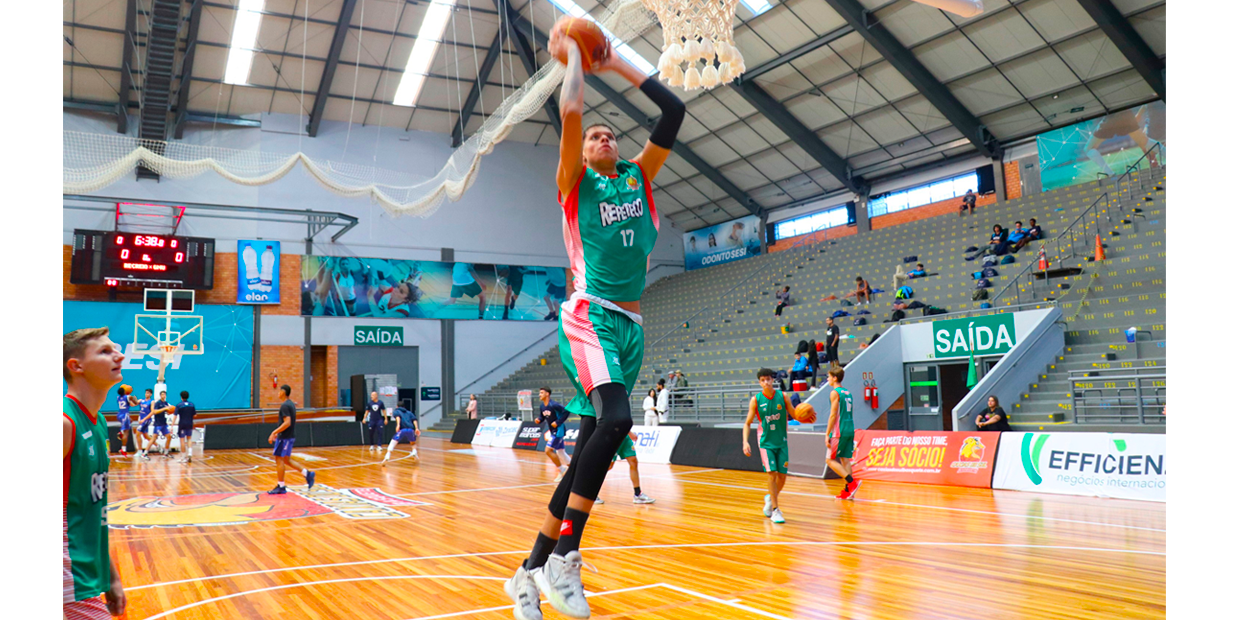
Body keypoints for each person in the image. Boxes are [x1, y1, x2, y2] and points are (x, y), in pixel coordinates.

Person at [504, 22, 686, 620]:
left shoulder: (638, 177)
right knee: (617, 419)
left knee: (592, 450)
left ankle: (527, 573)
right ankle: (566, 559)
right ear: (581, 153)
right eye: (594, 137)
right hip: (590, 317)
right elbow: (573, 108)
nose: (603, 136)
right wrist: (577, 60)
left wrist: (624, 66)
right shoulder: (572, 184)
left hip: (631, 329)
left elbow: (673, 109)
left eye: (611, 134)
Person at [63, 327, 127, 619]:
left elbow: (93, 511)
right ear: (76, 367)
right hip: (66, 572)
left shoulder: (98, 422)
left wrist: (110, 575)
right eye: (105, 351)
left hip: (86, 572)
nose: (120, 354)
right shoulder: (63, 423)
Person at [743, 368, 796, 524]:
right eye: (763, 380)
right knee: (772, 474)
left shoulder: (783, 396)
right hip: (765, 441)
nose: (766, 382)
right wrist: (745, 441)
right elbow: (747, 423)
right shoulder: (756, 400)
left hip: (781, 440)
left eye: (768, 379)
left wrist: (806, 417)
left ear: (773, 380)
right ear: (760, 383)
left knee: (782, 476)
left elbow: (794, 414)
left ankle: (770, 498)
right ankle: (775, 510)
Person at [267, 385, 315, 494]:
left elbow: (287, 422)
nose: (278, 393)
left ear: (283, 392)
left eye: (279, 391)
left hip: (284, 437)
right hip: (289, 436)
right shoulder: (291, 404)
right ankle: (307, 474)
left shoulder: (285, 405)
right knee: (286, 460)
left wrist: (274, 432)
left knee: (279, 459)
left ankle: (281, 486)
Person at [824, 366, 861, 500]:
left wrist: (827, 433)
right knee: (845, 460)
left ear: (834, 378)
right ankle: (848, 491)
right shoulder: (848, 392)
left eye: (828, 376)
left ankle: (852, 482)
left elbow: (833, 415)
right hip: (849, 428)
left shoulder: (835, 393)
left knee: (829, 460)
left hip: (839, 430)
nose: (827, 379)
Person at [601, 432, 656, 504]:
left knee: (633, 461)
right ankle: (591, 493)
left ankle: (638, 494)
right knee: (608, 466)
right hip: (613, 435)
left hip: (625, 437)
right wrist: (629, 432)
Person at [536, 387, 571, 480]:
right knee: (561, 452)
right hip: (553, 431)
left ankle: (562, 469)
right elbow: (542, 416)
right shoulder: (542, 406)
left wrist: (558, 422)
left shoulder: (554, 405)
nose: (539, 395)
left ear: (547, 394)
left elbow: (566, 411)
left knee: (548, 450)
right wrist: (539, 419)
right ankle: (573, 470)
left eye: (541, 393)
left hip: (559, 430)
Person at [150, 390, 176, 458]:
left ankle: (166, 452)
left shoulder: (166, 403)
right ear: (160, 395)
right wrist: (164, 408)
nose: (163, 396)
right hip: (158, 423)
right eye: (162, 394)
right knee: (154, 438)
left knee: (169, 437)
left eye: (164, 394)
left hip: (164, 423)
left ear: (166, 396)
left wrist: (171, 411)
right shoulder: (157, 403)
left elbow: (167, 412)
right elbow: (155, 412)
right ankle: (145, 453)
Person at [174, 390, 197, 464]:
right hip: (190, 423)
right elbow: (195, 415)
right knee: (189, 438)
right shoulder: (191, 404)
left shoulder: (179, 405)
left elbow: (175, 415)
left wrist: (172, 425)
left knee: (182, 440)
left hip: (182, 424)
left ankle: (183, 457)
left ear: (181, 397)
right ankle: (190, 453)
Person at [115, 386, 138, 456]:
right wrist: (135, 398)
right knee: (126, 433)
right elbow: (135, 403)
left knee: (129, 422)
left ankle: (121, 432)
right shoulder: (128, 397)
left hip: (119, 415)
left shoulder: (118, 397)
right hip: (125, 415)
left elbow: (130, 404)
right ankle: (123, 448)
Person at [134, 388, 154, 460]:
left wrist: (143, 419)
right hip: (142, 420)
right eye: (146, 393)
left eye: (148, 393)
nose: (146, 394)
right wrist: (132, 399)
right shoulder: (141, 400)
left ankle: (140, 451)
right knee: (146, 436)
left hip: (146, 420)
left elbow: (152, 412)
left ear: (151, 394)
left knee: (137, 433)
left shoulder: (152, 402)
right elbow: (133, 404)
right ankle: (158, 446)